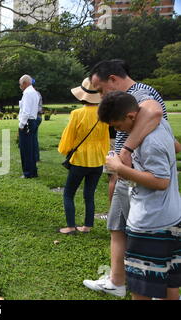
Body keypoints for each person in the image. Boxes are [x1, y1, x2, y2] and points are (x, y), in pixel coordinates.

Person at [83, 59, 170, 297]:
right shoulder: (132, 96)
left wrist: (126, 151)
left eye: (101, 90)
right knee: (121, 229)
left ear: (113, 79)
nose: (101, 96)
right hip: (127, 176)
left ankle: (124, 282)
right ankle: (120, 279)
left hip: (136, 177)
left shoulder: (139, 92)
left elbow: (153, 112)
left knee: (129, 232)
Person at [99, 91, 181, 300]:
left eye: (118, 126)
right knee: (169, 283)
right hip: (171, 218)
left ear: (132, 117)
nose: (119, 131)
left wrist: (119, 168)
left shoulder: (150, 142)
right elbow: (152, 108)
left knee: (141, 289)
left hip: (149, 224)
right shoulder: (158, 124)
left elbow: (161, 181)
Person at [57, 78, 109, 234]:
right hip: (98, 160)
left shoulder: (77, 114)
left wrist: (65, 150)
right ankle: (87, 226)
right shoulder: (103, 114)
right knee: (89, 195)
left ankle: (71, 226)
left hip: (79, 159)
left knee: (68, 194)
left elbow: (68, 136)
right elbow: (105, 139)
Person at [18, 75, 40, 178]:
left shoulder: (27, 93)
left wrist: (21, 125)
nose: (20, 86)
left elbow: (25, 112)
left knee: (25, 149)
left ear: (25, 83)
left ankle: (28, 173)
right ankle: (33, 171)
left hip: (27, 123)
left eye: (20, 84)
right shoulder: (34, 92)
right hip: (33, 121)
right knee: (31, 149)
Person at [33, 78, 43, 162]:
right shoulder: (36, 93)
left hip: (35, 117)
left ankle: (35, 157)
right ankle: (35, 157)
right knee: (33, 137)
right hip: (37, 116)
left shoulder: (34, 94)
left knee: (33, 138)